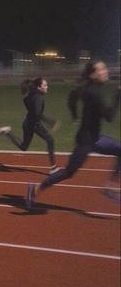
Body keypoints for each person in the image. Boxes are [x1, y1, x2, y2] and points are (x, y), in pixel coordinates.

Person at [26, 61, 121, 206]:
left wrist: (75, 116)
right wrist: (118, 94)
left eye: (105, 68)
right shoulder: (94, 93)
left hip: (95, 138)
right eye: (102, 69)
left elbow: (72, 98)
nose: (106, 71)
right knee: (68, 173)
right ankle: (35, 189)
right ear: (93, 74)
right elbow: (110, 116)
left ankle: (110, 187)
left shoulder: (88, 87)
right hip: (86, 142)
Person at [0, 77, 61, 173]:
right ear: (39, 87)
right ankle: (53, 168)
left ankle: (7, 132)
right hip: (33, 124)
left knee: (24, 147)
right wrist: (50, 121)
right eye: (45, 85)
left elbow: (32, 109)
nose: (47, 87)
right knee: (50, 140)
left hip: (28, 123)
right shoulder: (38, 97)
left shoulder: (30, 96)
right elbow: (37, 114)